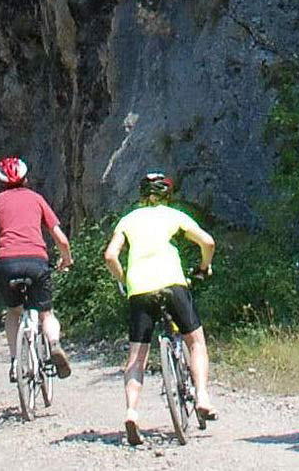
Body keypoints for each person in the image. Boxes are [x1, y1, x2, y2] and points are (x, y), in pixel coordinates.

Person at [102, 171, 217, 446]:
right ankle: (202, 396)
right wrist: (203, 267)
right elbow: (208, 242)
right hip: (173, 284)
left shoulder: (128, 219)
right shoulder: (173, 215)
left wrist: (123, 278)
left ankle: (131, 411)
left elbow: (110, 255)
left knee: (137, 356)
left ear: (141, 194)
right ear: (167, 195)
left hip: (139, 289)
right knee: (196, 342)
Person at [0, 156, 75, 379]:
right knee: (46, 313)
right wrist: (66, 260)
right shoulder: (37, 199)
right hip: (36, 261)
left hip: (7, 263)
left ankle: (14, 362)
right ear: (26, 178)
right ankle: (54, 343)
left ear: (0, 182)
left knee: (13, 312)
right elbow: (61, 240)